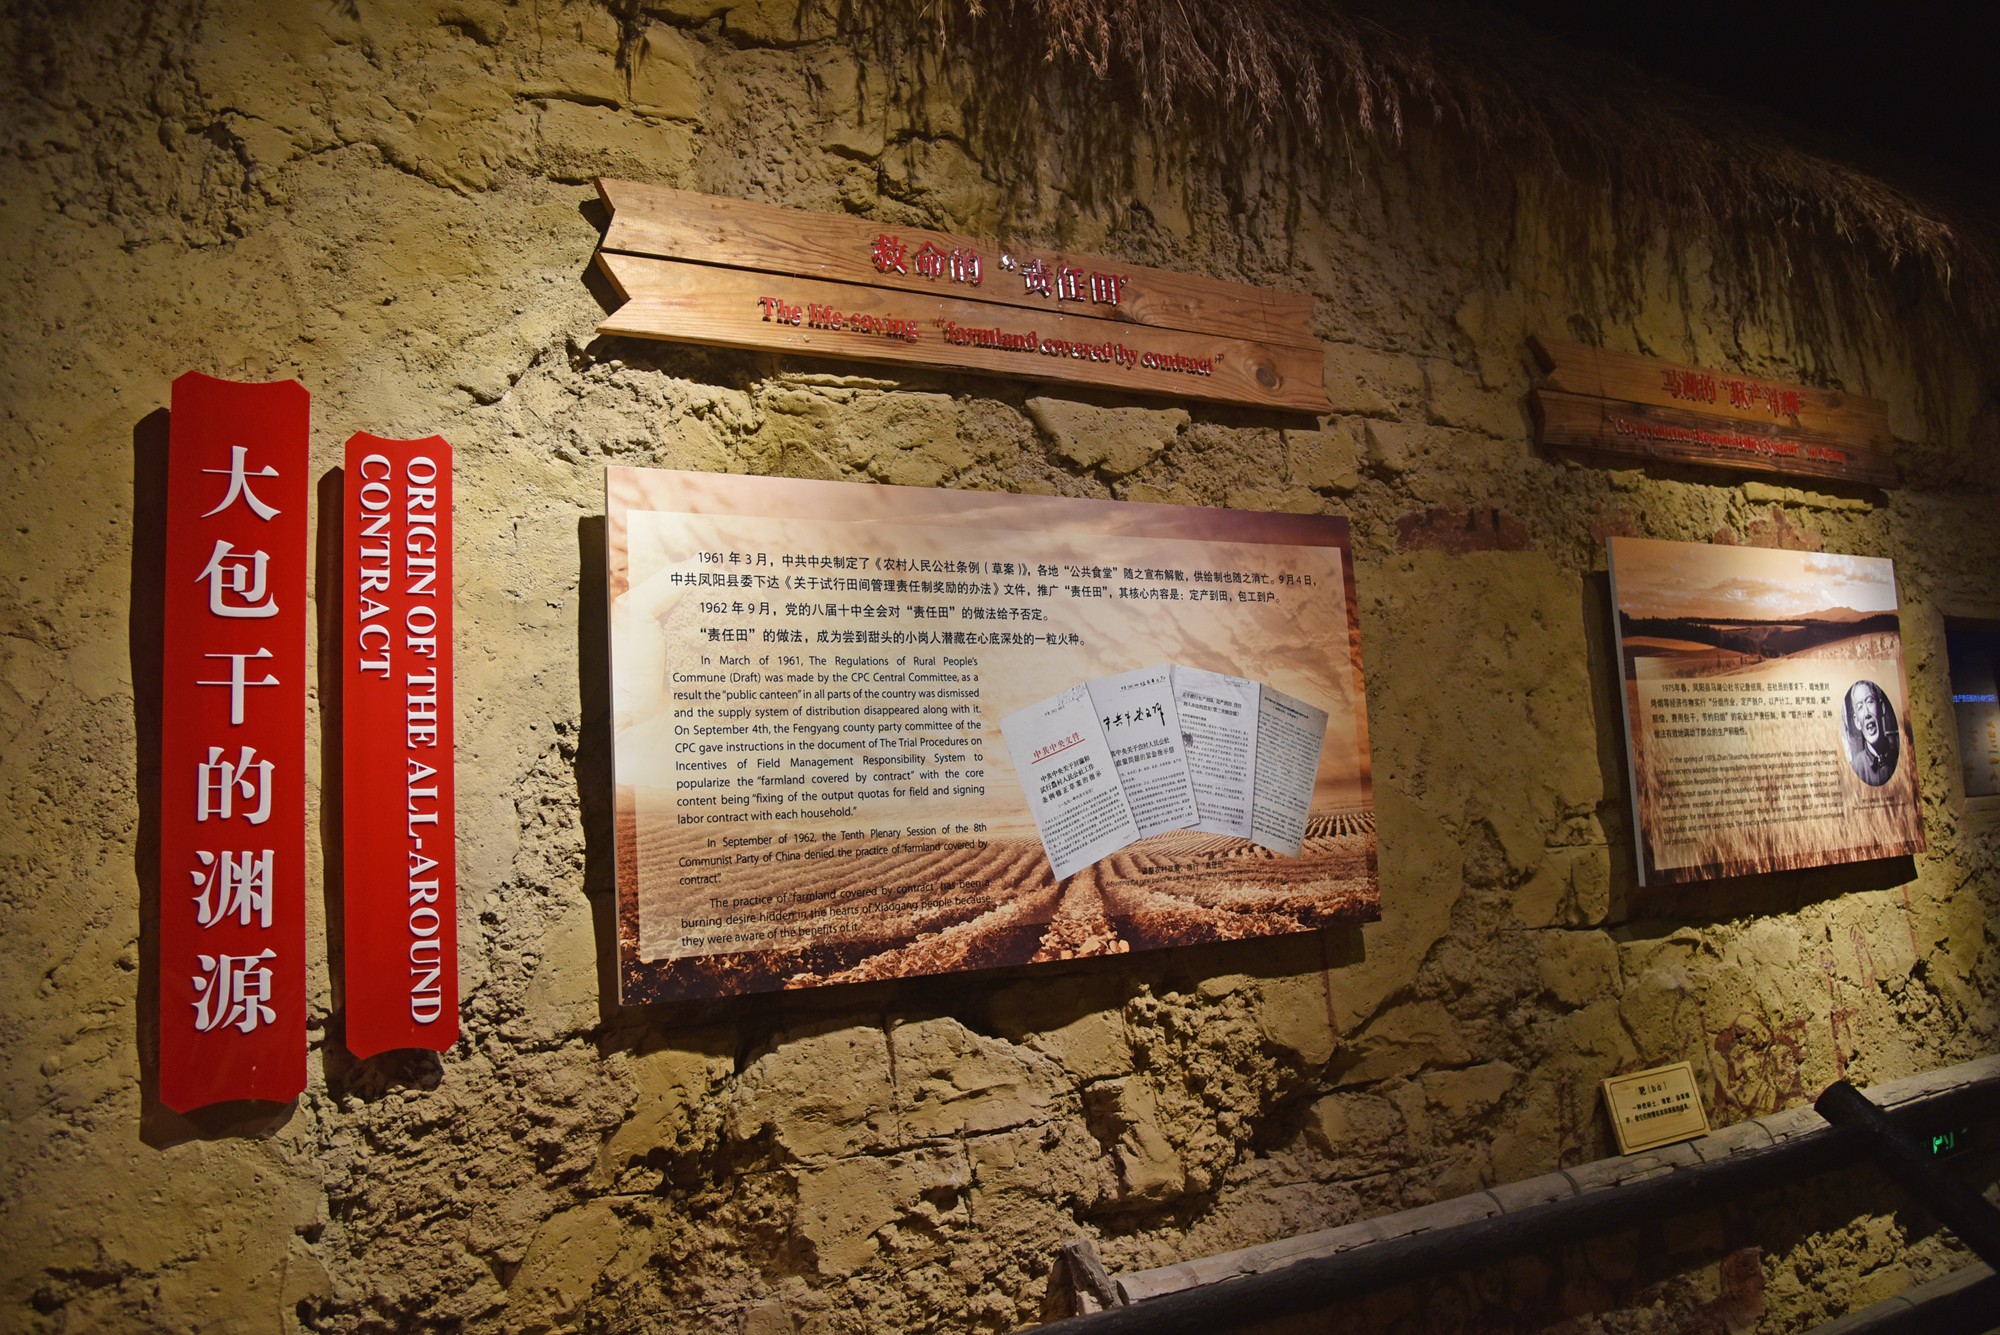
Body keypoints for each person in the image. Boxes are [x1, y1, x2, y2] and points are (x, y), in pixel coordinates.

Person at [1843, 680, 1898, 786]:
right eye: (1860, 707)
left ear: (1881, 708)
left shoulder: (1899, 759)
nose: (1866, 713)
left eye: (1869, 701)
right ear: (1857, 721)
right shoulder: (1854, 769)